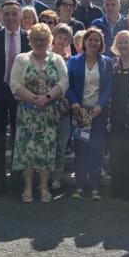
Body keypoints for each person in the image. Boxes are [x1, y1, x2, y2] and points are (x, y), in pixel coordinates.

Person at [9, 23, 69, 203]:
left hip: (49, 113)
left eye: (43, 39)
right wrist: (33, 98)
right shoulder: (21, 59)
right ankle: (27, 187)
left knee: (46, 151)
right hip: (27, 114)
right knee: (27, 151)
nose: (39, 43)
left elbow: (64, 81)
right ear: (30, 40)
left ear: (49, 40)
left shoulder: (57, 59)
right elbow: (14, 83)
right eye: (35, 39)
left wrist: (47, 97)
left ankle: (43, 187)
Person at [0, 1, 31, 198]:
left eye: (14, 14)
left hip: (22, 94)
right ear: (1, 17)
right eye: (7, 14)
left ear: (21, 17)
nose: (10, 18)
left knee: (20, 138)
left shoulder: (29, 38)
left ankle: (17, 181)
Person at [67, 28, 113, 201]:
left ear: (101, 44)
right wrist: (75, 103)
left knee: (96, 150)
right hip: (81, 113)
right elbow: (69, 86)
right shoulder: (74, 61)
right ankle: (79, 186)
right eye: (90, 40)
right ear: (84, 42)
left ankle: (95, 187)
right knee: (81, 150)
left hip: (98, 114)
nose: (93, 43)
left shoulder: (107, 62)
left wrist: (101, 105)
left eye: (96, 40)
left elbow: (109, 86)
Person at [109, 30, 129, 200]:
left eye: (126, 42)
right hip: (115, 115)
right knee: (116, 153)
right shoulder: (112, 64)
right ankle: (117, 188)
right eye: (120, 42)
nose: (123, 45)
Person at [50, 23, 73, 189]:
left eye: (66, 39)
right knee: (46, 143)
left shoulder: (72, 60)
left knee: (61, 144)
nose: (62, 41)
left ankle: (56, 177)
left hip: (65, 109)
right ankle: (44, 176)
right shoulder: (44, 55)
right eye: (59, 37)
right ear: (53, 37)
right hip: (47, 106)